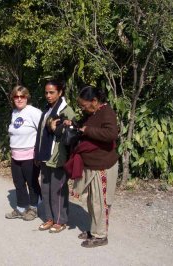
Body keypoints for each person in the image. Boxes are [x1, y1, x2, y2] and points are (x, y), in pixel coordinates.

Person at [69, 85, 119, 247]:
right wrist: (74, 124)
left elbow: (111, 134)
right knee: (91, 200)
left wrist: (87, 130)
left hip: (102, 165)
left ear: (95, 101)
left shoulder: (107, 112)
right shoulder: (92, 113)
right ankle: (92, 229)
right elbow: (83, 126)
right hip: (91, 164)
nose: (82, 108)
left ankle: (100, 236)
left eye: (84, 105)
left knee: (100, 201)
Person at [34, 80, 75, 233]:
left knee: (57, 189)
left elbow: (71, 132)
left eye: (52, 92)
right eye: (46, 92)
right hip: (45, 155)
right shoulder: (47, 110)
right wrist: (37, 154)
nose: (48, 95)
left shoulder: (66, 110)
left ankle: (60, 220)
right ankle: (49, 218)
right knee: (45, 188)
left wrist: (55, 128)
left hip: (58, 156)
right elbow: (40, 134)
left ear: (60, 93)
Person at [5, 85, 42, 221]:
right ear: (13, 98)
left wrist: (40, 153)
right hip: (16, 154)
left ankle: (34, 208)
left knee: (32, 183)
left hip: (30, 155)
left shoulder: (34, 112)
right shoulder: (15, 113)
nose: (19, 99)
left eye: (22, 96)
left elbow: (42, 132)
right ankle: (21, 208)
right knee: (18, 183)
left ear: (27, 97)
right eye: (16, 96)